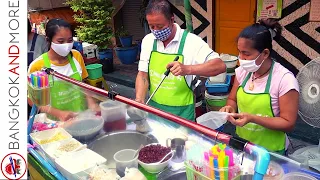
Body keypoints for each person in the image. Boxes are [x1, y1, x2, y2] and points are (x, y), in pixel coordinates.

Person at [135, 0, 226, 121]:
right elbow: (143, 74)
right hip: (155, 111)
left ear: (172, 20)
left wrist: (187, 69)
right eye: (152, 26)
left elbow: (219, 66)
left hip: (182, 115)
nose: (156, 30)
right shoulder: (148, 41)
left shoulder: (191, 42)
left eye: (160, 26)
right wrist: (139, 99)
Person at [219, 18, 299, 154]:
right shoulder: (243, 72)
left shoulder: (284, 79)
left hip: (271, 151)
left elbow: (288, 123)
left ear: (265, 53)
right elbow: (232, 100)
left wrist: (252, 118)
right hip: (242, 145)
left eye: (246, 53)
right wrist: (229, 108)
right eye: (239, 52)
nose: (241, 58)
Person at [28, 18, 98, 121]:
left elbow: (83, 84)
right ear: (48, 40)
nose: (66, 45)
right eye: (60, 41)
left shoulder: (76, 56)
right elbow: (31, 99)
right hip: (55, 124)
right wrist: (58, 113)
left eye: (70, 40)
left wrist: (91, 102)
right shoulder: (37, 66)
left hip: (81, 117)